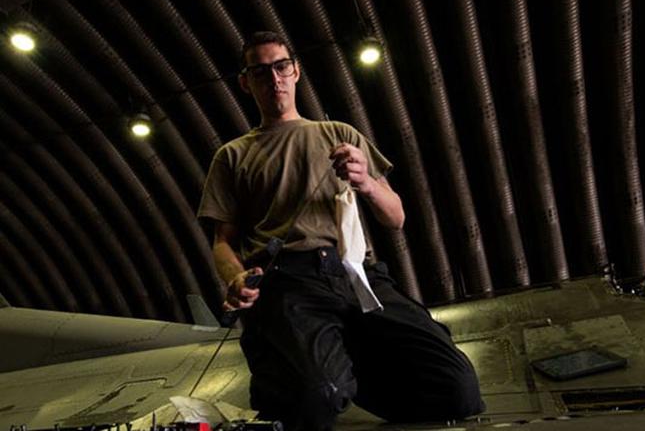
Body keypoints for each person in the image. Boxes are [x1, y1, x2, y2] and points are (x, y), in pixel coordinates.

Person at [197, 32, 484, 430]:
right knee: (318, 397)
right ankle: (321, 382)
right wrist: (235, 277)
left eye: (281, 66)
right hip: (290, 283)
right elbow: (222, 243)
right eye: (260, 71)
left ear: (296, 71)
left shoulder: (341, 135)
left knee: (458, 390)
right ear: (246, 83)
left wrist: (366, 181)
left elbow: (396, 217)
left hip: (357, 275)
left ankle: (341, 370)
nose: (274, 78)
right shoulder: (232, 156)